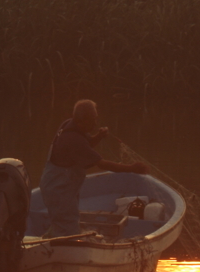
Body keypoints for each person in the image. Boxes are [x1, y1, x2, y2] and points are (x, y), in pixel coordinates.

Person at [38, 99, 148, 237]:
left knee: (61, 222)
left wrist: (99, 136)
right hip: (58, 189)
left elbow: (86, 145)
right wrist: (131, 168)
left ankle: (52, 238)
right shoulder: (73, 139)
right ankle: (62, 251)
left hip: (59, 184)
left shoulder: (70, 124)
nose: (96, 123)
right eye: (92, 120)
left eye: (96, 119)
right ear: (82, 121)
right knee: (68, 227)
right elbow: (102, 163)